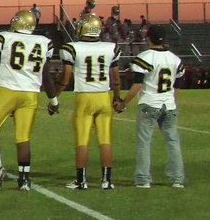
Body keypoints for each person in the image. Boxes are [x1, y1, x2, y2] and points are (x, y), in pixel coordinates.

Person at [0, 10, 58, 191]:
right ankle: (24, 180)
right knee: (23, 137)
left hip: (7, 90)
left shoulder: (3, 38)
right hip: (30, 94)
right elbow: (46, 76)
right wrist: (54, 101)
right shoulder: (44, 42)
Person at [56, 14, 121, 190]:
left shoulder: (72, 48)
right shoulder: (110, 48)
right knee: (105, 140)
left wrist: (56, 94)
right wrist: (117, 97)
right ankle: (106, 180)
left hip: (84, 96)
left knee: (82, 140)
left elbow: (66, 76)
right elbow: (115, 78)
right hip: (104, 95)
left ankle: (81, 180)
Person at [119, 24, 185, 188]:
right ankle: (177, 179)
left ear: (149, 38)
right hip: (168, 104)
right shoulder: (175, 59)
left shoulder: (145, 57)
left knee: (144, 142)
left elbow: (137, 85)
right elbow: (177, 86)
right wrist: (171, 102)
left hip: (149, 103)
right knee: (173, 142)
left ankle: (143, 179)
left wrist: (123, 102)